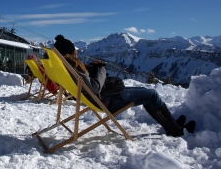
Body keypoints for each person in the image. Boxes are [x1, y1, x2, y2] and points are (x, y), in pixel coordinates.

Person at [53, 35, 196, 137]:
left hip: (102, 97)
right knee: (151, 95)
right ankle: (175, 130)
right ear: (71, 53)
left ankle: (170, 124)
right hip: (107, 100)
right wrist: (101, 69)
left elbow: (83, 79)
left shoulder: (64, 66)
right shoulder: (73, 66)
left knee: (147, 93)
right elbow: (95, 87)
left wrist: (91, 67)